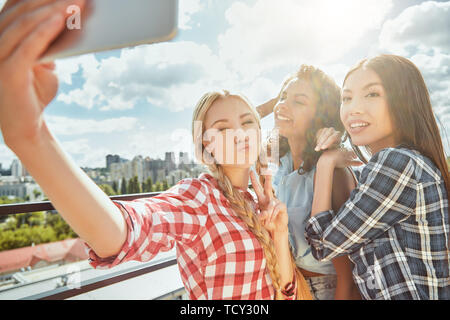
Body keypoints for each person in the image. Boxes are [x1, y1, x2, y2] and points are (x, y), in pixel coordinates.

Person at [0, 0, 313, 300]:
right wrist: (31, 137)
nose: (240, 132)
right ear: (207, 144)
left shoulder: (262, 199)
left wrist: (279, 231)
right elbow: (125, 231)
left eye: (247, 122)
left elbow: (285, 290)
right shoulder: (199, 198)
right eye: (222, 127)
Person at [305, 54, 450, 300]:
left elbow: (323, 245)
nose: (353, 109)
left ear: (404, 101)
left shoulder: (397, 163)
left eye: (372, 94)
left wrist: (326, 163)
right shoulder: (411, 163)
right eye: (347, 98)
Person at [256, 65, 361, 299]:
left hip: (325, 291)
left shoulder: (333, 173)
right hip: (286, 287)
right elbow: (237, 127)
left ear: (319, 116)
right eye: (283, 97)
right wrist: (277, 102)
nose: (283, 105)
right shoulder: (276, 166)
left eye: (299, 102)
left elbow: (348, 275)